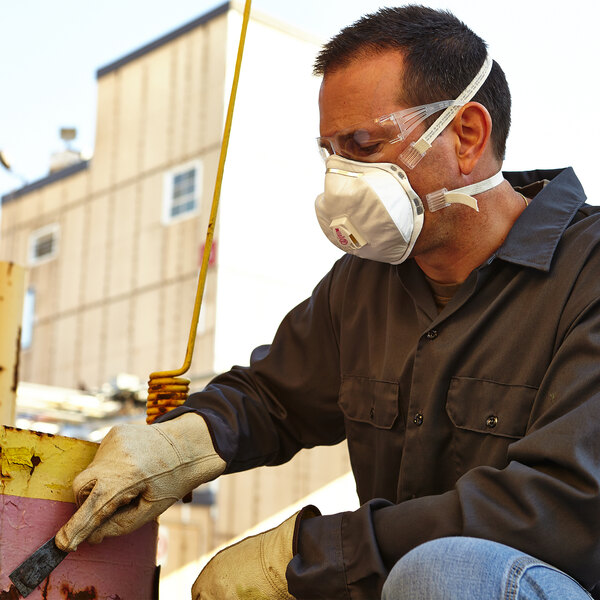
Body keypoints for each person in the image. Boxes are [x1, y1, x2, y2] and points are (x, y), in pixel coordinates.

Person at [55, 5, 600, 599]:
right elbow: (272, 397)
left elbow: (560, 506)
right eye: (332, 152)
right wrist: (181, 443)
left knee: (443, 574)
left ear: (467, 135)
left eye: (364, 144)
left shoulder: (588, 275)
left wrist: (306, 557)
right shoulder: (364, 283)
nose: (342, 179)